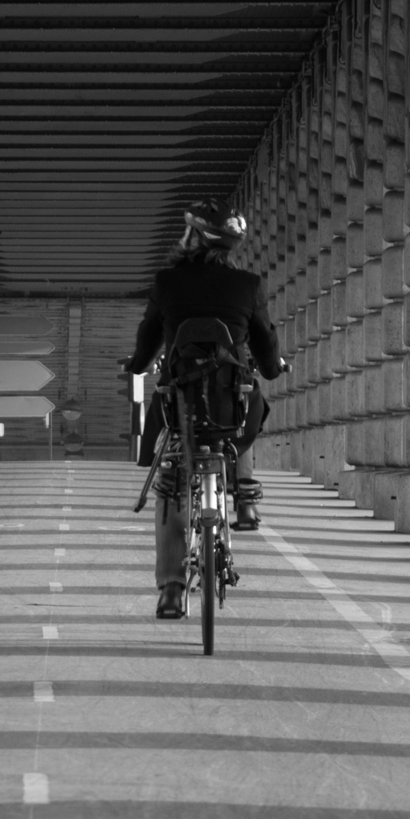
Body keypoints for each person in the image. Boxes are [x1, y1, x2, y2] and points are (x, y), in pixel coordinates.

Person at [123, 199, 287, 619]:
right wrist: (273, 367)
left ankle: (172, 590)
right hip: (232, 411)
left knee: (171, 486)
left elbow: (145, 347)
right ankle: (245, 498)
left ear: (191, 236)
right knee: (249, 402)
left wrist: (137, 365)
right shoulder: (248, 285)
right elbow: (267, 354)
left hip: (181, 409)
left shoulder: (166, 283)